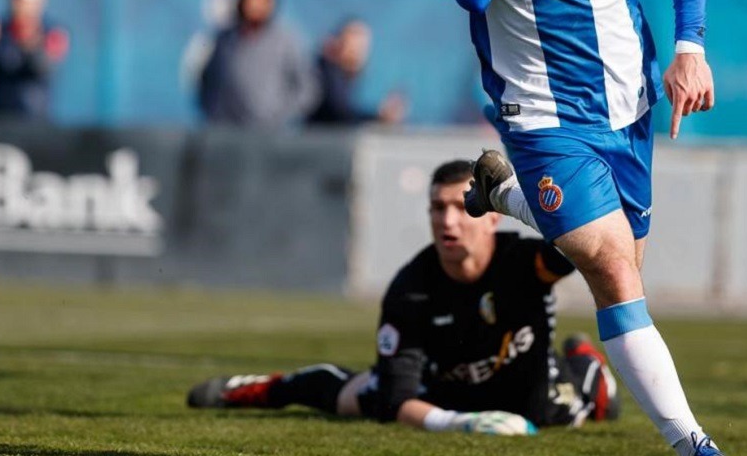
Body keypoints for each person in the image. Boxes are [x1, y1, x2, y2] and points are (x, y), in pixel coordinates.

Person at [428, 0, 722, 455]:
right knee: (614, 271)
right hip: (541, 120)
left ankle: (506, 195)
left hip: (628, 108)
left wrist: (690, 47)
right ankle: (693, 445)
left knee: (625, 266)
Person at [186, 160, 619, 435]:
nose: (449, 221)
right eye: (438, 208)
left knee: (595, 404)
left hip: (531, 399)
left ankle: (584, 360)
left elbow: (581, 243)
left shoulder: (525, 262)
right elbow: (398, 399)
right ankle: (262, 389)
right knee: (361, 397)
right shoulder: (411, 288)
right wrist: (460, 424)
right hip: (447, 396)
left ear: (492, 217)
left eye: (463, 207)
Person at [197, 0, 319, 127]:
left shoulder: (286, 40)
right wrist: (214, 112)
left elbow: (308, 89)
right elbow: (207, 81)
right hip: (227, 131)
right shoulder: (224, 39)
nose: (253, 4)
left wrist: (278, 114)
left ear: (271, 2)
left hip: (267, 134)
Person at [306, 17, 406, 125]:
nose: (359, 52)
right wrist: (378, 117)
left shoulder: (342, 75)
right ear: (336, 42)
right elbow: (339, 114)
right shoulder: (326, 72)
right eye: (354, 44)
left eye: (363, 46)